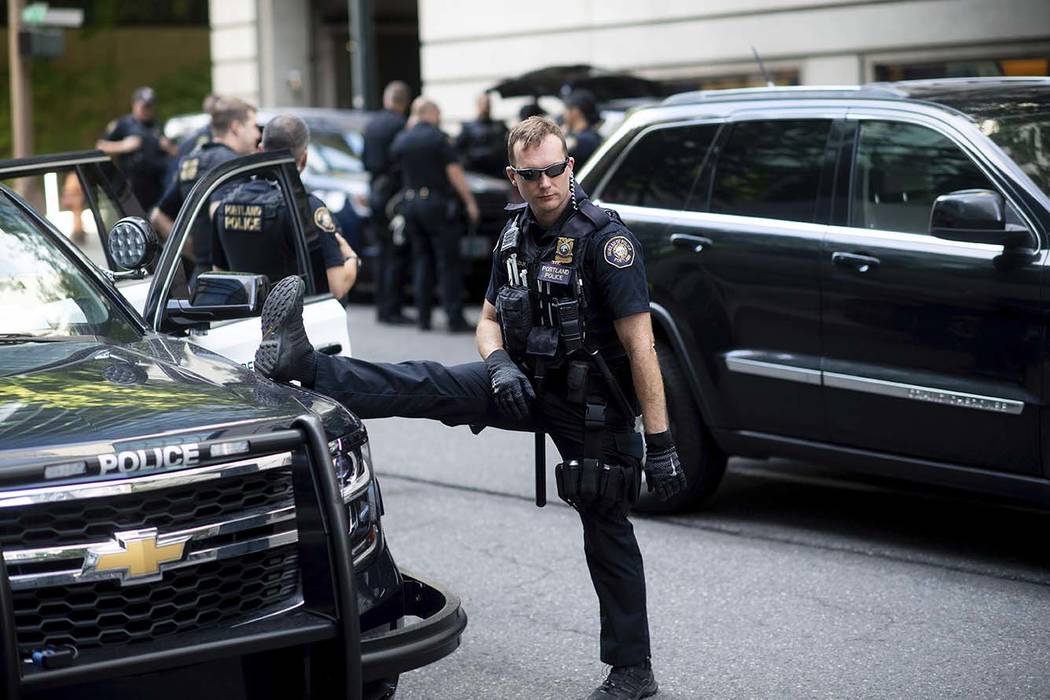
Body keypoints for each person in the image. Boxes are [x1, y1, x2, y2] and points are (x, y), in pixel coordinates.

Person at [253, 116, 686, 700]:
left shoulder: (605, 241)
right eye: (531, 175)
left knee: (605, 528)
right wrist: (499, 363)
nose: (545, 184)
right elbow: (487, 322)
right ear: (514, 177)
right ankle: (305, 367)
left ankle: (634, 669)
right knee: (429, 383)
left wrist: (658, 445)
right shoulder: (512, 236)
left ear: (571, 166)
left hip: (593, 407)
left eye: (554, 170)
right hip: (524, 382)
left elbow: (642, 347)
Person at [213, 114, 360, 299]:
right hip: (292, 323)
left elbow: (219, 277)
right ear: (304, 158)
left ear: (260, 150)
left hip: (242, 322)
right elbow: (337, 287)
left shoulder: (225, 205)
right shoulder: (307, 208)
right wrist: (352, 260)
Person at [390, 97, 479, 333]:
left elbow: (395, 169)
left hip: (411, 203)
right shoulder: (439, 139)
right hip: (437, 204)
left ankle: (424, 317)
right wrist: (469, 202)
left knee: (422, 259)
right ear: (432, 113)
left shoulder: (403, 139)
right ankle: (453, 318)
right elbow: (454, 172)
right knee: (447, 262)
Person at [151, 97, 260, 280]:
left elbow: (158, 216)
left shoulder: (192, 160)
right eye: (253, 126)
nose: (258, 134)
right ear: (236, 128)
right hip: (229, 280)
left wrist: (196, 253)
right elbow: (218, 214)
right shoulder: (231, 164)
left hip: (200, 278)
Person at [364, 81, 411, 325]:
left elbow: (364, 160)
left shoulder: (371, 124)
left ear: (386, 99)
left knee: (381, 251)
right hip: (392, 194)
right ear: (404, 103)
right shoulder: (401, 125)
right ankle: (392, 308)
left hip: (374, 190)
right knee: (395, 252)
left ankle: (381, 307)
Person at [97, 86, 172, 211]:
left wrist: (167, 146)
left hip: (156, 185)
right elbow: (100, 146)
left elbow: (174, 152)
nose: (146, 110)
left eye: (149, 106)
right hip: (132, 185)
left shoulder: (157, 125)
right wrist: (123, 146)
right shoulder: (123, 124)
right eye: (144, 106)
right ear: (135, 104)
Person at [454, 92, 509, 178]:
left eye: (488, 104)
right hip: (476, 174)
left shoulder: (500, 126)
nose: (486, 107)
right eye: (484, 103)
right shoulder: (468, 128)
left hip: (497, 173)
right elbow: (458, 150)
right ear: (477, 105)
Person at [563, 90, 603, 168]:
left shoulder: (586, 140)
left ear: (575, 112)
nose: (564, 114)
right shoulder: (588, 135)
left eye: (567, 109)